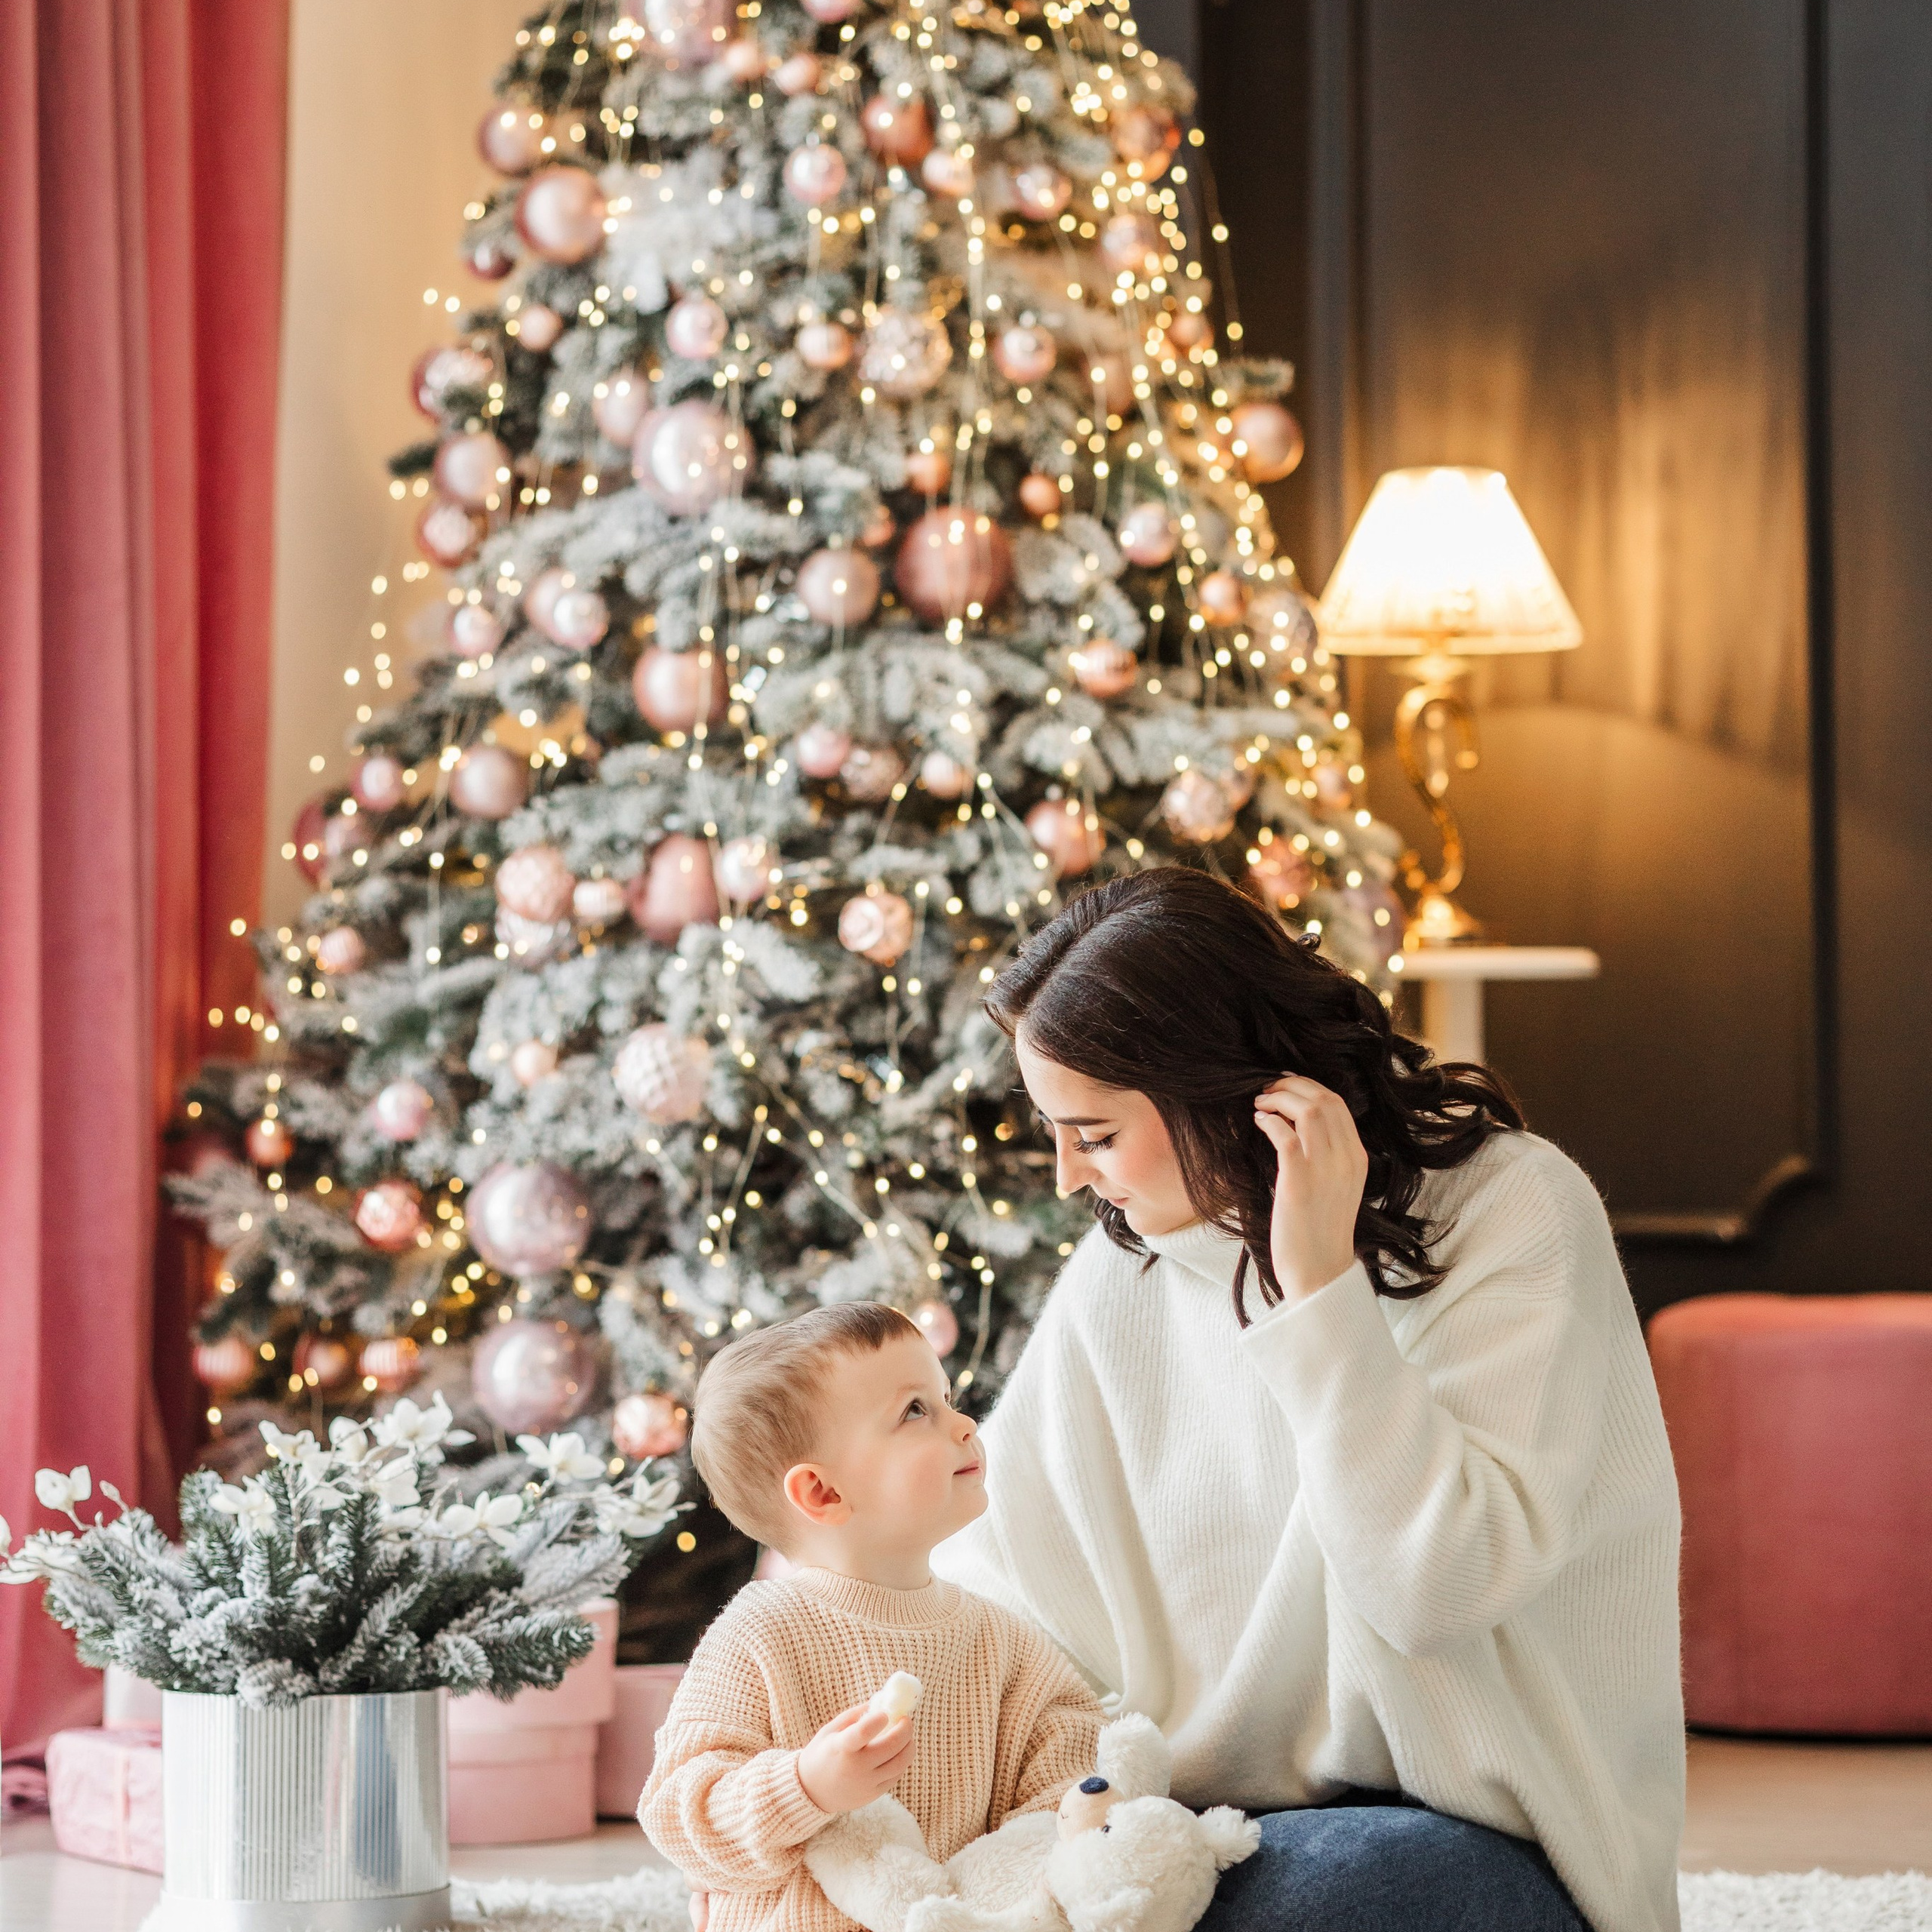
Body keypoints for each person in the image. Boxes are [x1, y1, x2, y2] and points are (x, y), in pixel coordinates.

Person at [928, 866, 1686, 1932]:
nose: (1065, 1176)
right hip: (1188, 1821)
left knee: (1338, 1894)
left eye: (1094, 1134)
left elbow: (1432, 1590)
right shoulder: (1130, 1267)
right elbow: (997, 1572)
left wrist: (1321, 1290)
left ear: (1226, 1093)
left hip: (1477, 1833)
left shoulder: (1515, 1210)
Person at [641, 1303, 1105, 1932]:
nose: (965, 1425)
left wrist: (1024, 1866)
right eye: (917, 1411)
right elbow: (678, 1814)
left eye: (946, 1398)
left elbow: (1071, 1769)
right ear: (823, 1494)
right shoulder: (760, 1633)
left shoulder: (1002, 1639)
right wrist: (806, 1787)